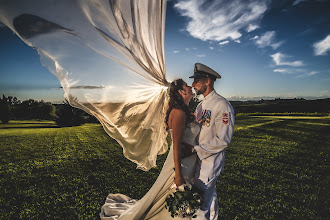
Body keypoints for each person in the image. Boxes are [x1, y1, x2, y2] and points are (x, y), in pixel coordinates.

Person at [100, 79, 201, 220]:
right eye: (186, 85)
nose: (190, 87)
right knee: (171, 194)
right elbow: (175, 145)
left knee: (165, 197)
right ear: (181, 91)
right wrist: (178, 176)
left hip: (188, 161)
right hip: (180, 163)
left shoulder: (184, 111)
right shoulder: (178, 113)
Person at [182, 63, 235, 220]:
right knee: (209, 198)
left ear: (207, 81)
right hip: (197, 160)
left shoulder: (222, 105)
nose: (193, 84)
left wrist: (194, 150)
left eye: (196, 80)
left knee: (200, 205)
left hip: (210, 162)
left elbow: (223, 140)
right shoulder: (201, 105)